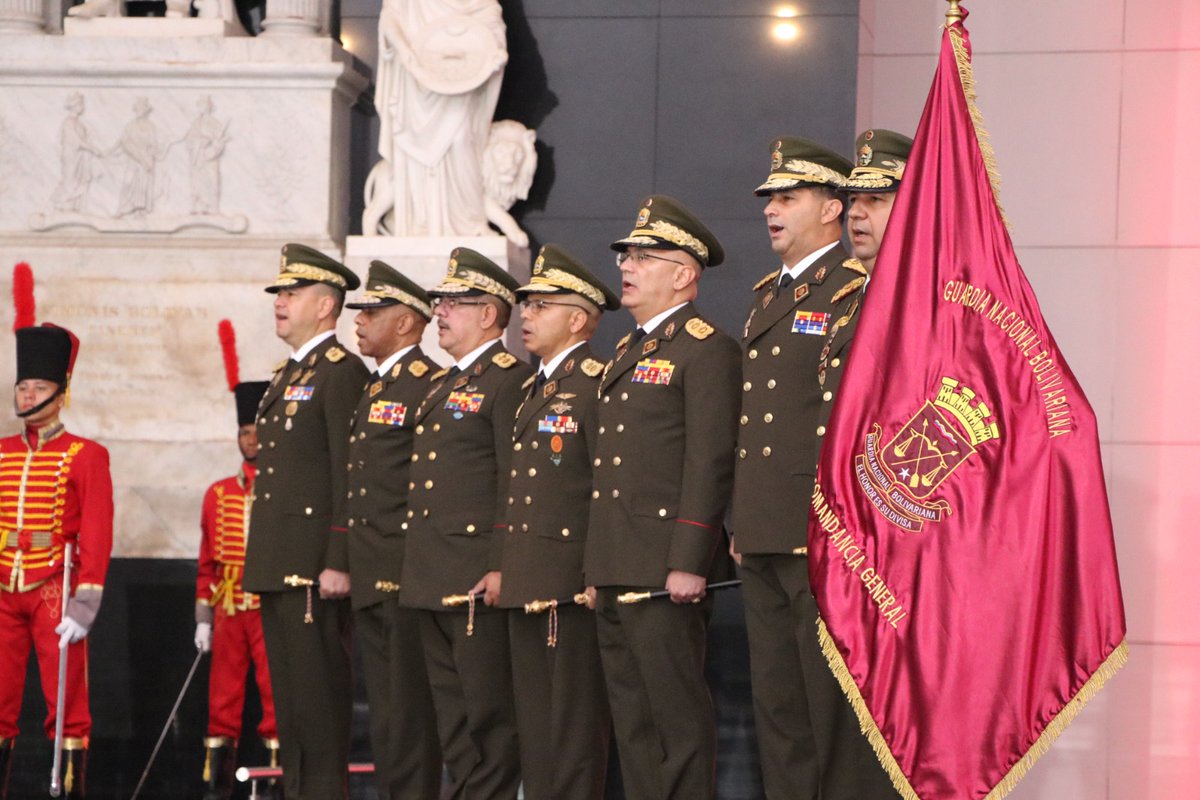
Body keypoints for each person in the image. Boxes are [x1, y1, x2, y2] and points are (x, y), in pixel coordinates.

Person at [733, 136, 893, 799]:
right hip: (767, 527)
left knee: (830, 709)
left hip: (825, 528)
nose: (772, 209)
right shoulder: (771, 294)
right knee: (779, 708)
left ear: (830, 208)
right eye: (769, 197)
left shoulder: (858, 288)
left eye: (788, 197)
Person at [584, 195, 740, 800]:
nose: (628, 265)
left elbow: (710, 459)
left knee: (675, 720)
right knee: (633, 723)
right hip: (617, 562)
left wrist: (688, 558)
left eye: (647, 256)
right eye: (627, 254)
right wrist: (596, 564)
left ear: (684, 275)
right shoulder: (627, 351)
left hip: (661, 565)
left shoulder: (706, 348)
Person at [398, 248, 531, 799]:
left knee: (487, 717)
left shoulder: (508, 380)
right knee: (451, 717)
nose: (440, 313)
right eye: (439, 302)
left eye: (456, 303)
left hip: (475, 575)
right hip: (431, 573)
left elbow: (512, 480)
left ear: (489, 314)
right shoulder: (443, 383)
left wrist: (500, 565)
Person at [242, 244, 368, 800]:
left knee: (318, 713)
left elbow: (350, 471)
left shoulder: (340, 373)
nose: (280, 302)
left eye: (291, 294)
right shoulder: (289, 373)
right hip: (278, 562)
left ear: (325, 306)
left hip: (314, 568)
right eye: (279, 294)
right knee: (290, 713)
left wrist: (339, 558)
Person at [500, 244, 618, 800]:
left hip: (569, 584)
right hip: (527, 578)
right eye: (526, 305)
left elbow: (603, 487)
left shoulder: (594, 384)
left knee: (572, 734)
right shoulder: (532, 389)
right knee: (538, 736)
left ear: (578, 318)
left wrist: (591, 571)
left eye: (542, 306)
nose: (526, 315)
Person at [0, 321, 113, 800]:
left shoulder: (86, 455)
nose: (28, 396)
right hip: (3, 587)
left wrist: (85, 603)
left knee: (67, 705)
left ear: (60, 393)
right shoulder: (2, 453)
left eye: (38, 387)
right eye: (23, 387)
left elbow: (96, 530)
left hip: (52, 588)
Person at [343, 261, 442, 799]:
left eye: (372, 312)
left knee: (408, 714)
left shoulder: (424, 385)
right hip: (372, 567)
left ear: (406, 323)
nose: (358, 322)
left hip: (404, 572)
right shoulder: (378, 385)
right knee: (385, 715)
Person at [194, 372, 277, 800]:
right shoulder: (218, 493)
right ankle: (215, 788)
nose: (251, 440)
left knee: (274, 701)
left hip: (268, 609)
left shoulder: (282, 492)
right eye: (245, 432)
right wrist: (203, 619)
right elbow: (207, 562)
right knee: (221, 702)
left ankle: (274, 788)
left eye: (257, 431)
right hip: (227, 609)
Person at [366, 0, 507, 237]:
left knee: (462, 139)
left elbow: (490, 17)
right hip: (416, 74)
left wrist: (497, 49)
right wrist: (405, 50)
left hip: (462, 75)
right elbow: (390, 16)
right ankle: (421, 222)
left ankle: (471, 221)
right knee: (415, 148)